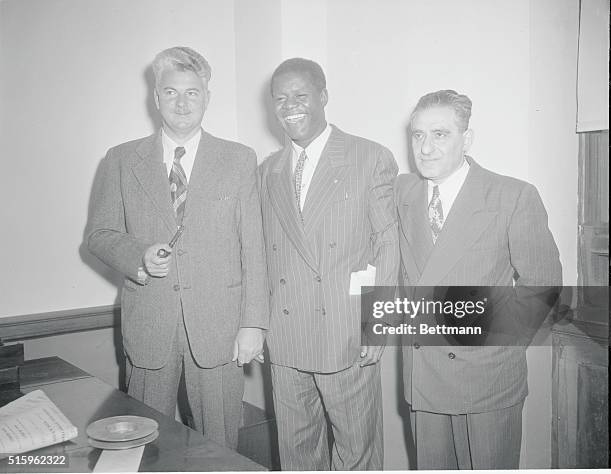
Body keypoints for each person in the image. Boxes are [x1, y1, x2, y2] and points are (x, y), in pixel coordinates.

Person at [85, 46, 268, 448]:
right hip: (149, 326)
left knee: (218, 446)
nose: (182, 102)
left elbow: (254, 248)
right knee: (144, 445)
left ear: (207, 97)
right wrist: (139, 257)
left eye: (192, 92)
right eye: (171, 92)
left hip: (220, 330)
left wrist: (253, 324)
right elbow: (99, 234)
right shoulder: (120, 160)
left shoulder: (239, 159)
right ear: (155, 98)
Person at [395, 89, 562, 469]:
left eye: (440, 134)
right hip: (425, 378)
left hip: (487, 381)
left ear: (466, 139)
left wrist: (497, 346)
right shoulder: (402, 193)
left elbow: (544, 284)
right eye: (418, 135)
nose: (426, 147)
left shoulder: (512, 196)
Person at [259, 58, 399, 470]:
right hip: (285, 337)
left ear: (323, 96)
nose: (291, 106)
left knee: (358, 452)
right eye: (281, 99)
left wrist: (379, 322)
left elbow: (387, 245)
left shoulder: (368, 157)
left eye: (300, 95)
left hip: (345, 334)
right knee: (297, 454)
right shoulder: (268, 170)